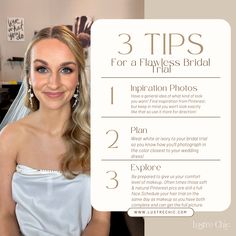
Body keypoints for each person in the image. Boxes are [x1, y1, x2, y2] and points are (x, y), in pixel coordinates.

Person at [0, 25, 110, 236]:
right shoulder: (10, 138)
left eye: (66, 69)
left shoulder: (101, 140)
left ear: (78, 76)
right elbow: (4, 214)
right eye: (42, 69)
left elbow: (100, 221)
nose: (54, 83)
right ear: (29, 76)